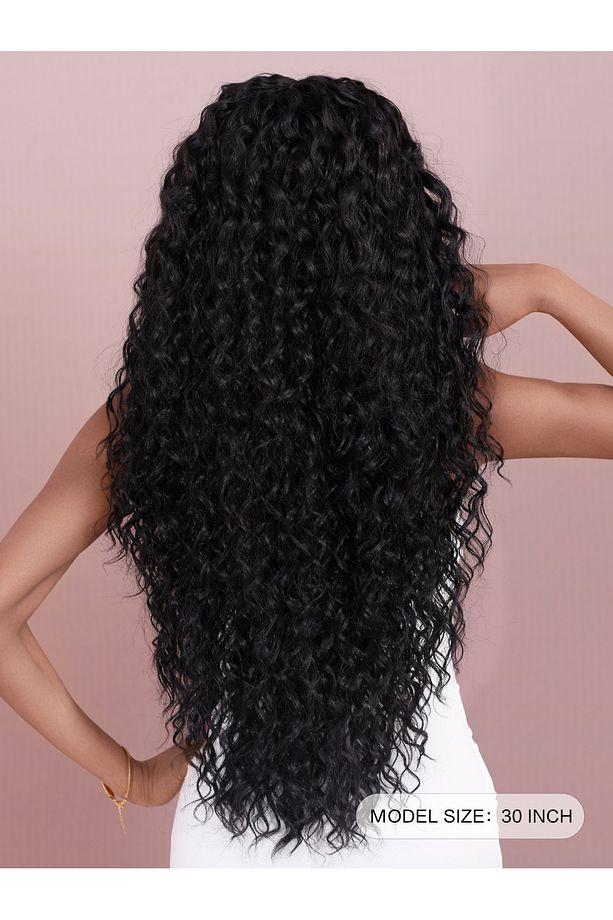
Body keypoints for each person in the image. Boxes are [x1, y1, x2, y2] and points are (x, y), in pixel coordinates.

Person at [1, 73, 613, 869]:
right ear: (388, 238)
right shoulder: (447, 412)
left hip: (231, 840)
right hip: (427, 828)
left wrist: (135, 776)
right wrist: (547, 288)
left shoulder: (150, 423)